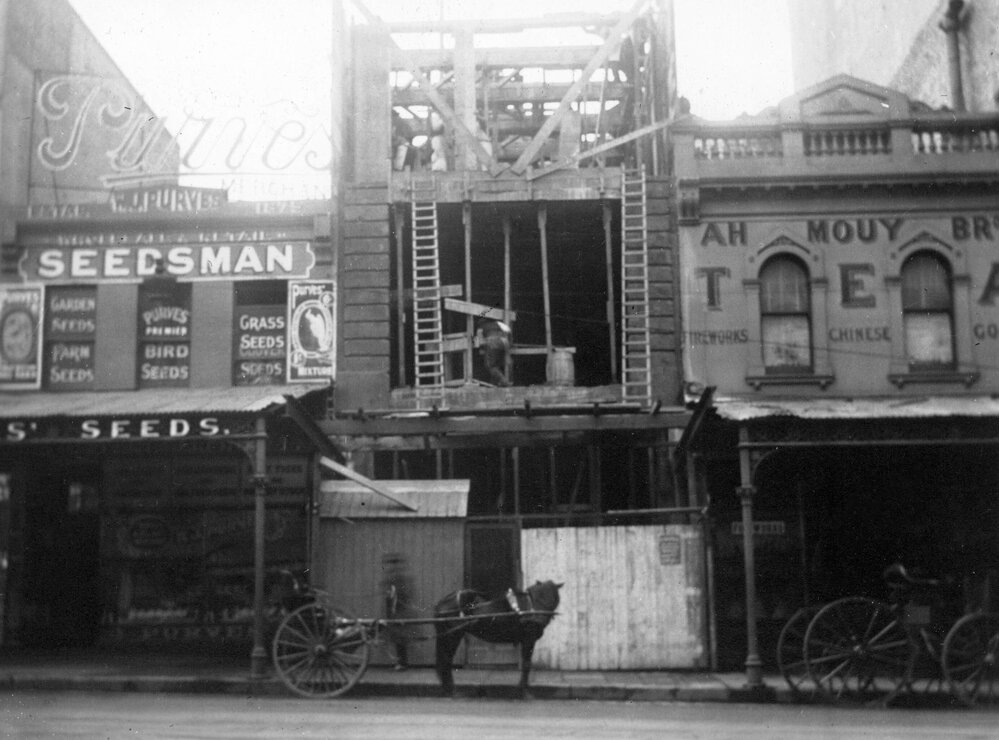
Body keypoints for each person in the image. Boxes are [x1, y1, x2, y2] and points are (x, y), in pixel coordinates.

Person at [381, 553, 414, 670]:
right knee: (397, 638)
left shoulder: (398, 577)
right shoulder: (394, 576)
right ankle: (401, 662)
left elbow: (401, 594)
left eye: (393, 563)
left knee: (400, 637)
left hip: (399, 610)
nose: (391, 566)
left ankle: (402, 663)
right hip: (395, 610)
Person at [480, 319, 512, 387]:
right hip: (503, 343)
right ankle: (494, 383)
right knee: (497, 364)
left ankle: (504, 382)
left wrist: (481, 348)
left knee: (490, 366)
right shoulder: (498, 323)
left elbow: (480, 340)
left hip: (492, 343)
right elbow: (508, 330)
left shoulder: (482, 326)